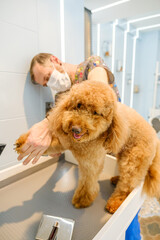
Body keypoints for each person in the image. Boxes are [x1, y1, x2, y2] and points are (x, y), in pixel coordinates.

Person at [18, 53, 121, 165]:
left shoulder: (92, 65)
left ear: (55, 60)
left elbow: (99, 90)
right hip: (89, 158)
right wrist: (54, 145)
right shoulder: (59, 97)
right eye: (46, 84)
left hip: (112, 148)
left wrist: (46, 123)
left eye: (48, 77)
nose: (49, 83)